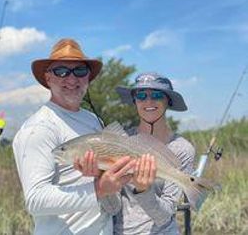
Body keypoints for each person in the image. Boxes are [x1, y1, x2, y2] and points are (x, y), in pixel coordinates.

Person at [12, 38, 136, 235]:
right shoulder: (39, 128)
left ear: (88, 78)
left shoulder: (93, 120)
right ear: (48, 78)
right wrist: (99, 188)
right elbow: (35, 199)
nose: (71, 79)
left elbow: (105, 176)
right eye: (61, 71)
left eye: (79, 71)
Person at [113, 72, 196, 235]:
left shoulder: (182, 149)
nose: (148, 101)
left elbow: (165, 216)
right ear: (134, 101)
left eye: (157, 95)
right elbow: (112, 207)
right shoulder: (119, 139)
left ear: (168, 101)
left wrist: (143, 191)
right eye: (141, 95)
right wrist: (103, 185)